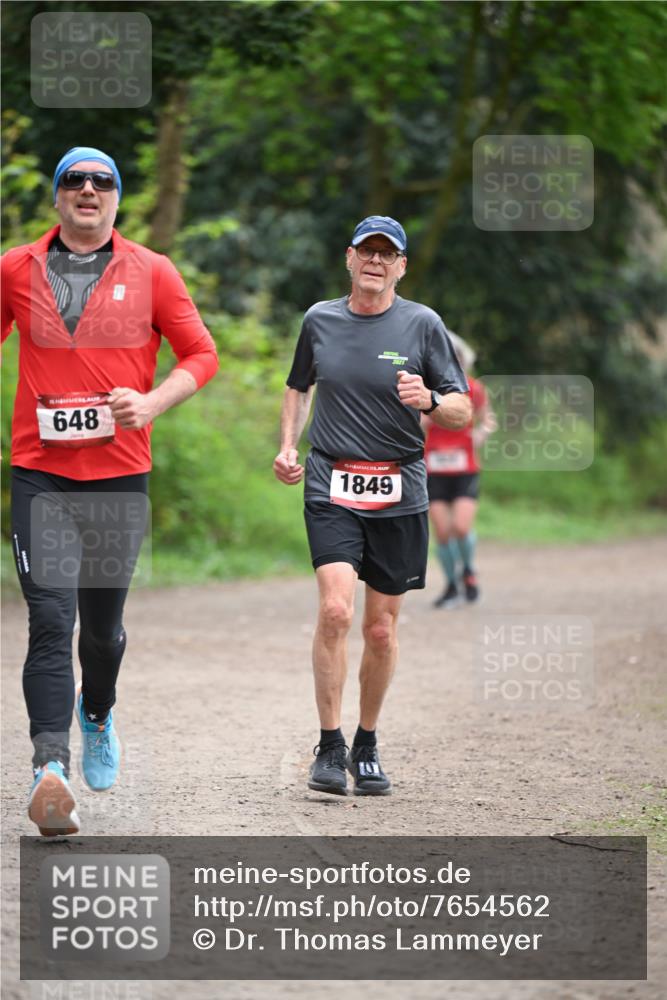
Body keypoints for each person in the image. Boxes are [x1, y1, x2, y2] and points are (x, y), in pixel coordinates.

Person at [1, 147, 219, 836]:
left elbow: (201, 354)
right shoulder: (15, 267)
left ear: (117, 198)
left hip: (119, 478)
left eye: (102, 181)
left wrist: (154, 403)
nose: (87, 190)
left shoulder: (152, 270)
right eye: (74, 180)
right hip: (39, 474)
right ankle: (49, 771)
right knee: (49, 621)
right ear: (58, 198)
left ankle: (96, 713)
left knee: (101, 631)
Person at [273, 215, 471, 796]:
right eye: (368, 251)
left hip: (399, 489)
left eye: (388, 254)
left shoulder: (423, 325)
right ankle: (329, 745)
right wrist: (288, 446)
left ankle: (367, 741)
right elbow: (298, 386)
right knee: (335, 611)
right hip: (331, 482)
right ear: (350, 257)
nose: (376, 262)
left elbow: (462, 410)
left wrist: (431, 399)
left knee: (380, 630)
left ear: (401, 266)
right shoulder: (320, 320)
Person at [423, 333, 495, 608]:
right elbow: (418, 424)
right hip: (435, 470)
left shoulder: (473, 389)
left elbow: (488, 419)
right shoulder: (427, 389)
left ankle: (468, 571)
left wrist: (481, 433)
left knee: (461, 528)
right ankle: (451, 586)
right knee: (442, 532)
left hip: (465, 468)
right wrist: (427, 414)